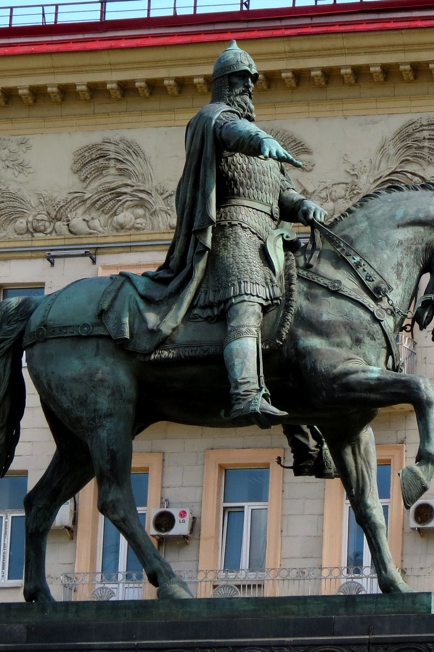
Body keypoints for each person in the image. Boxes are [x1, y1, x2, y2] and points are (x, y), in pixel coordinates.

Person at [152, 41, 328, 428]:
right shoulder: (213, 119)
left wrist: (304, 206)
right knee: (245, 301)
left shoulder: (259, 138)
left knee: (305, 318)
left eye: (252, 82)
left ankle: (304, 432)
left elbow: (284, 192)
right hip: (234, 230)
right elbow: (231, 131)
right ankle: (245, 393)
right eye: (241, 80)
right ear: (224, 83)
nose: (248, 88)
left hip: (272, 239)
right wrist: (258, 140)